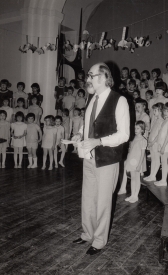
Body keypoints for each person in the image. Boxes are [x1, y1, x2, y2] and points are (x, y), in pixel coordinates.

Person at [72, 63, 129, 255]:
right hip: (88, 157)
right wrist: (79, 134)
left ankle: (99, 240)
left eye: (91, 75)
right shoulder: (92, 98)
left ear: (104, 77)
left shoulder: (119, 100)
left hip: (107, 159)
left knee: (103, 202)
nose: (87, 79)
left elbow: (124, 135)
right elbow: (87, 124)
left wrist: (99, 141)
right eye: (88, 75)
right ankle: (87, 233)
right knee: (87, 199)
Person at [124, 121, 147, 203]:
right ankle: (132, 195)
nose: (135, 130)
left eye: (138, 128)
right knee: (133, 178)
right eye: (135, 128)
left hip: (137, 162)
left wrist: (139, 165)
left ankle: (136, 196)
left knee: (136, 179)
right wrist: (127, 160)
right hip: (131, 161)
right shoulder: (134, 138)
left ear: (142, 129)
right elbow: (130, 151)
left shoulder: (143, 140)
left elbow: (142, 155)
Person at [154, 102, 168, 186]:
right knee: (162, 162)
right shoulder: (166, 120)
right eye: (165, 110)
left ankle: (164, 181)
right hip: (162, 144)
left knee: (164, 162)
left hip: (165, 145)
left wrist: (163, 147)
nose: (166, 112)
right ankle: (162, 180)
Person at [144, 103, 164, 182]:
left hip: (156, 143)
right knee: (153, 159)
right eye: (153, 110)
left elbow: (159, 134)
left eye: (155, 110)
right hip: (152, 142)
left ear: (160, 111)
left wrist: (153, 142)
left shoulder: (162, 121)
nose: (154, 112)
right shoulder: (156, 120)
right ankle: (151, 175)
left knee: (156, 160)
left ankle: (153, 175)